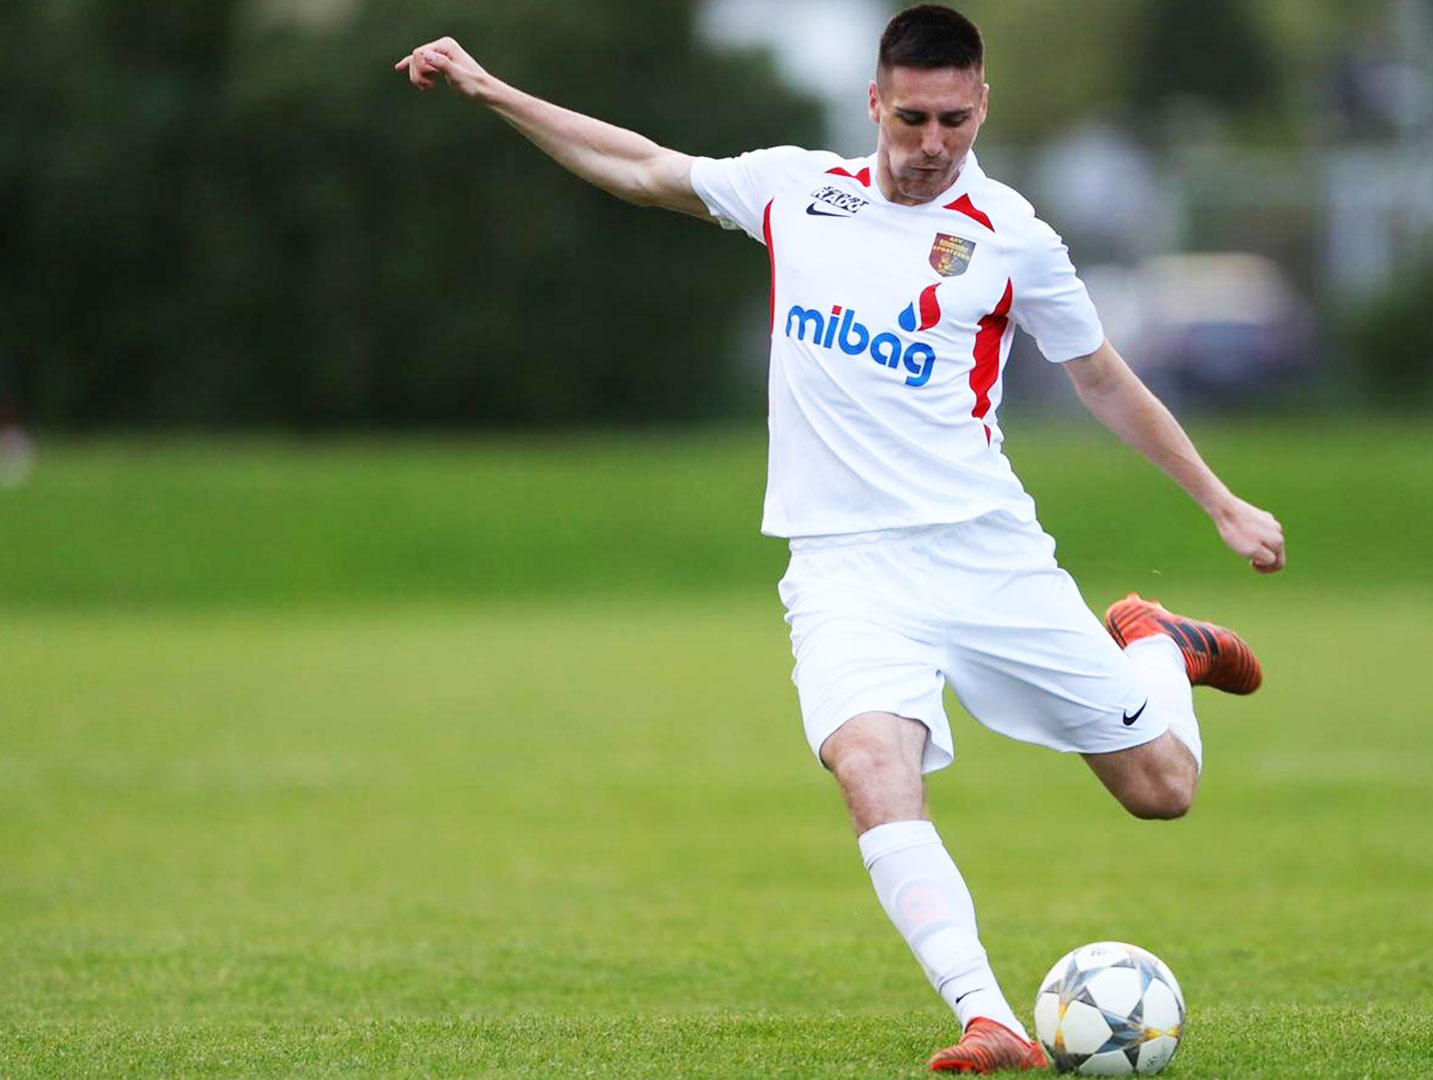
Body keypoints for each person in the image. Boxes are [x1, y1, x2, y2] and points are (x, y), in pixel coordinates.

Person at [397, 6, 1284, 1072]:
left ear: (982, 105)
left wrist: (1219, 501)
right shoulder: (797, 191)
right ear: (875, 103)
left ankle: (1159, 648)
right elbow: (640, 168)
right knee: (869, 763)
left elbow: (1101, 378)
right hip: (844, 570)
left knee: (1162, 790)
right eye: (912, 118)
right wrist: (493, 90)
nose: (932, 143)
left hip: (985, 554)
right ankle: (990, 1017)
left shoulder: (1012, 237)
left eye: (954, 119)